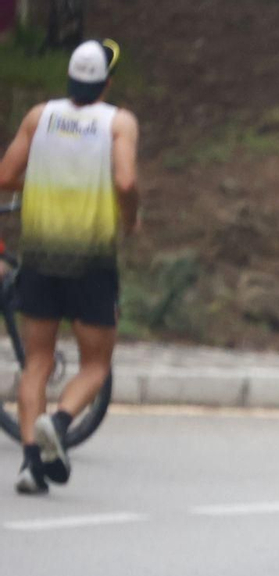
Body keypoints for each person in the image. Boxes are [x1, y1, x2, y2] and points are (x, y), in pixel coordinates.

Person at [0, 39, 138, 495]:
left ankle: (30, 465)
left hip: (39, 256)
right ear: (107, 83)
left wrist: (43, 176)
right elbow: (125, 180)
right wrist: (132, 216)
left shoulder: (40, 117)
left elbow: (4, 176)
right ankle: (58, 424)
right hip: (92, 263)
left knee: (36, 360)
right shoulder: (118, 122)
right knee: (96, 364)